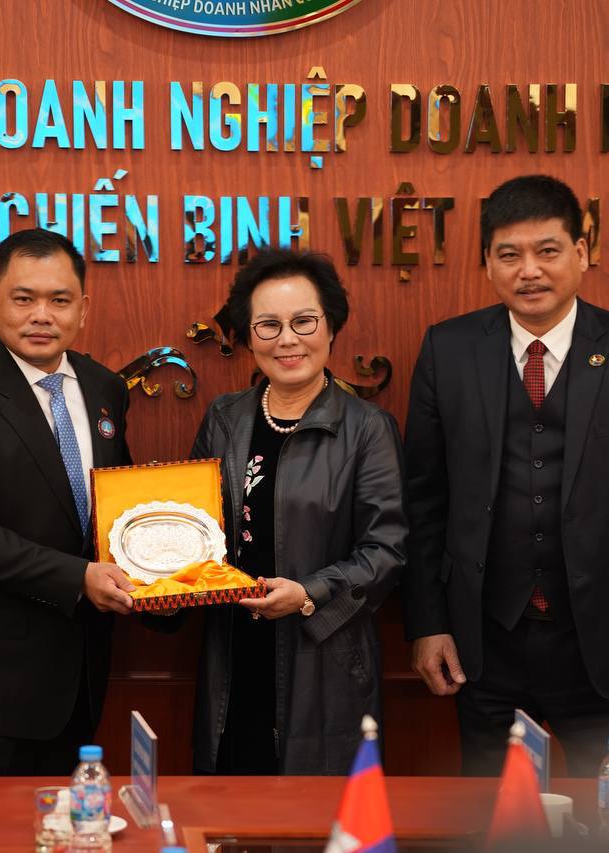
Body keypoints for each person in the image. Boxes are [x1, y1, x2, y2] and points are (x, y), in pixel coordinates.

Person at [402, 175, 609, 775]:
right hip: (484, 646)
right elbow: (423, 501)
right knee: (492, 815)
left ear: (582, 252)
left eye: (548, 251)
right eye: (509, 255)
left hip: (607, 648)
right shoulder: (448, 350)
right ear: (487, 263)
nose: (529, 271)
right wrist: (428, 625)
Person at [173, 249, 406, 775]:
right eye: (269, 325)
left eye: (304, 321)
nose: (287, 339)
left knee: (314, 810)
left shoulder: (368, 429)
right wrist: (159, 582)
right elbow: (191, 530)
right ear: (249, 335)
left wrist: (308, 594)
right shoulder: (224, 419)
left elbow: (385, 551)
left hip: (322, 655)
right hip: (234, 656)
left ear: (331, 327)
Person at [0, 227, 134, 776]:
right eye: (23, 299)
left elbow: (115, 505)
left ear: (83, 309)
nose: (42, 315)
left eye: (59, 300)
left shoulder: (105, 388)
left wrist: (161, 576)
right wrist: (80, 577)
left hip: (80, 679)